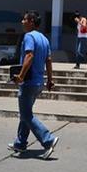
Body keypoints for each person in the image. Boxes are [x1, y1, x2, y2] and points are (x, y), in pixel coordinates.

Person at [9, 11, 59, 159]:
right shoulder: (44, 38)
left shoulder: (29, 36)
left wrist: (21, 76)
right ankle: (20, 143)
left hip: (29, 82)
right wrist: (50, 80)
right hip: (38, 83)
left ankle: (48, 140)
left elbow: (29, 56)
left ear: (31, 21)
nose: (22, 22)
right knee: (26, 113)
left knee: (26, 114)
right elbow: (48, 60)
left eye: (24, 19)